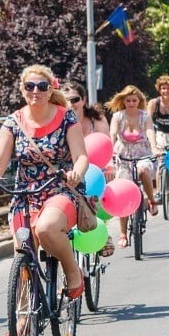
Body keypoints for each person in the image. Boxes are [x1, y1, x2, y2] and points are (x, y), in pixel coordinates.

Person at [0, 64, 88, 307]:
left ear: (50, 90)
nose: (35, 91)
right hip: (26, 194)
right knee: (24, 252)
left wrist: (76, 173)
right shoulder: (13, 122)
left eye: (42, 86)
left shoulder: (65, 116)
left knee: (46, 229)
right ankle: (24, 315)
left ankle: (73, 272)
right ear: (22, 90)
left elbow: (81, 156)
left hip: (60, 189)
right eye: (29, 86)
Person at [62, 80, 114, 257]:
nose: (71, 104)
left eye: (75, 99)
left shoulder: (95, 120)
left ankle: (102, 233)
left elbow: (106, 145)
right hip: (70, 169)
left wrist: (109, 167)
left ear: (83, 100)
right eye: (67, 100)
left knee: (94, 193)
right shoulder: (61, 120)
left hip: (95, 169)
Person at [107, 85, 161, 248]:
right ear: (123, 101)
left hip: (142, 154)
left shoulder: (145, 116)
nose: (131, 103)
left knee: (143, 170)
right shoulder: (118, 116)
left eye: (134, 100)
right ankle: (123, 233)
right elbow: (113, 134)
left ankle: (151, 200)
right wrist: (110, 156)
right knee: (123, 193)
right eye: (128, 100)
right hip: (124, 157)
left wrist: (154, 148)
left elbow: (150, 132)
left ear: (139, 101)